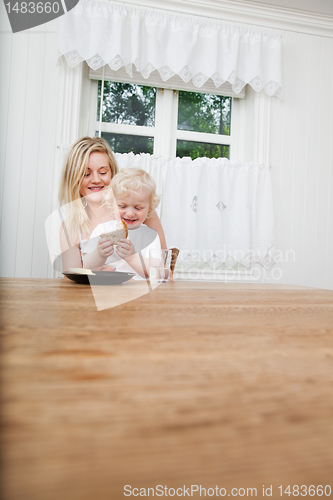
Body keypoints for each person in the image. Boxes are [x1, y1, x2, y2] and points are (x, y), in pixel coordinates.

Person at [58, 137, 166, 273]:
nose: (96, 180)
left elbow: (164, 273)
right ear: (73, 178)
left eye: (103, 172)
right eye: (86, 174)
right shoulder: (72, 227)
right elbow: (72, 279)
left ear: (112, 173)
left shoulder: (142, 213)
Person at [82, 168, 161, 279]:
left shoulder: (150, 236)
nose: (129, 213)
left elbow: (157, 273)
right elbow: (87, 267)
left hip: (138, 292)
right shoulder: (102, 230)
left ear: (149, 208)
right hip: (106, 290)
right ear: (111, 203)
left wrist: (132, 258)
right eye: (122, 206)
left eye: (138, 208)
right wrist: (99, 254)